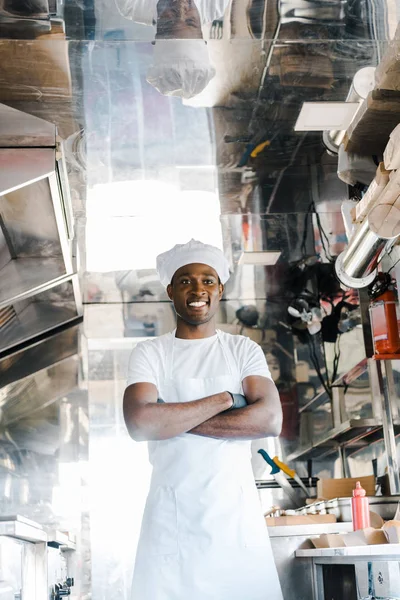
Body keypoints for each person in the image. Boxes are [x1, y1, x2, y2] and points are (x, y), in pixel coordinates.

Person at [123, 239, 284, 600]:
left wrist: (171, 416)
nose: (198, 290)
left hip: (235, 520)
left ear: (220, 289)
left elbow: (270, 419)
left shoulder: (242, 350)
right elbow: (139, 424)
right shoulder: (151, 353)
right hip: (172, 522)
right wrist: (226, 400)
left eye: (207, 280)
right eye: (186, 281)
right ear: (170, 291)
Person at [115, 0, 230, 99]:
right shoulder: (215, 4)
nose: (180, 8)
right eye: (190, 21)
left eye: (170, 22)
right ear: (203, 38)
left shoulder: (131, 4)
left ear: (155, 39)